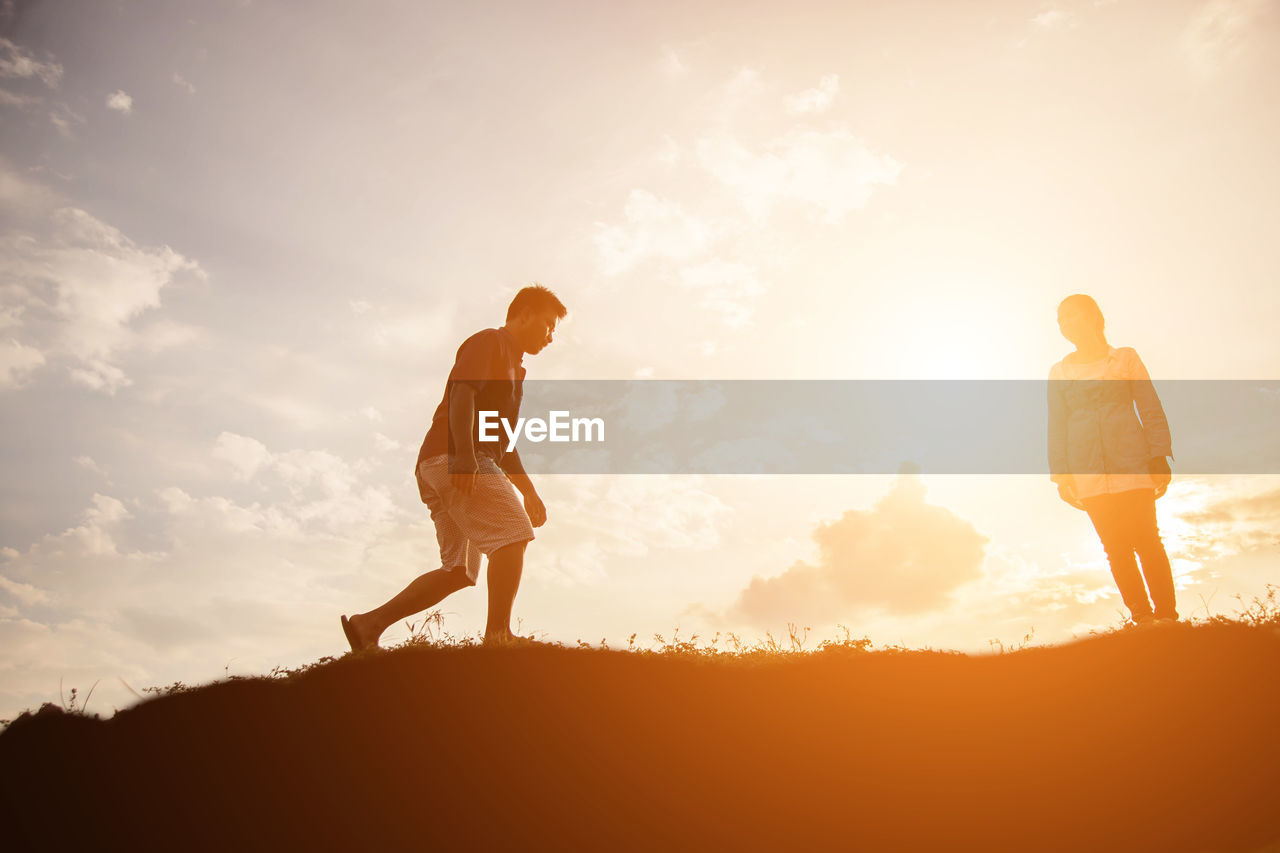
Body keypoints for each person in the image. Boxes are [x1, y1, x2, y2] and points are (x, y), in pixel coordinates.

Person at [341, 285, 567, 649]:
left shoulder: (515, 372)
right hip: (457, 459)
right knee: (513, 535)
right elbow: (463, 392)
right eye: (547, 325)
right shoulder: (490, 342)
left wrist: (530, 491)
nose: (551, 336)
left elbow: (504, 442)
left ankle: (368, 625)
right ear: (524, 313)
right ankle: (498, 637)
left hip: (443, 463)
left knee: (458, 571)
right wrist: (463, 456)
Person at [1048, 294, 1178, 625]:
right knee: (1115, 548)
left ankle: (1167, 618)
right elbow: (1057, 425)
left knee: (1147, 540)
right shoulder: (1059, 372)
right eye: (1060, 319)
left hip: (1133, 465)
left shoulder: (1124, 359)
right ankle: (1142, 620)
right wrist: (1062, 476)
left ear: (1094, 317)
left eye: (1072, 316)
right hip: (1087, 473)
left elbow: (1150, 407)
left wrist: (1159, 455)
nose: (1065, 325)